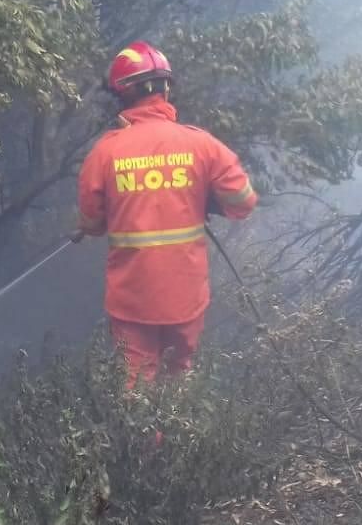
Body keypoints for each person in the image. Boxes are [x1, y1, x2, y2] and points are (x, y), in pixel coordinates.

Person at [76, 41, 258, 386]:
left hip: (133, 298)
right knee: (177, 388)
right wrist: (207, 200)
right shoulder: (201, 144)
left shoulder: (105, 153)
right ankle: (177, 440)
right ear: (166, 90)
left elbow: (91, 224)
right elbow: (244, 201)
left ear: (124, 96)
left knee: (136, 394)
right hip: (185, 297)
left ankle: (143, 440)